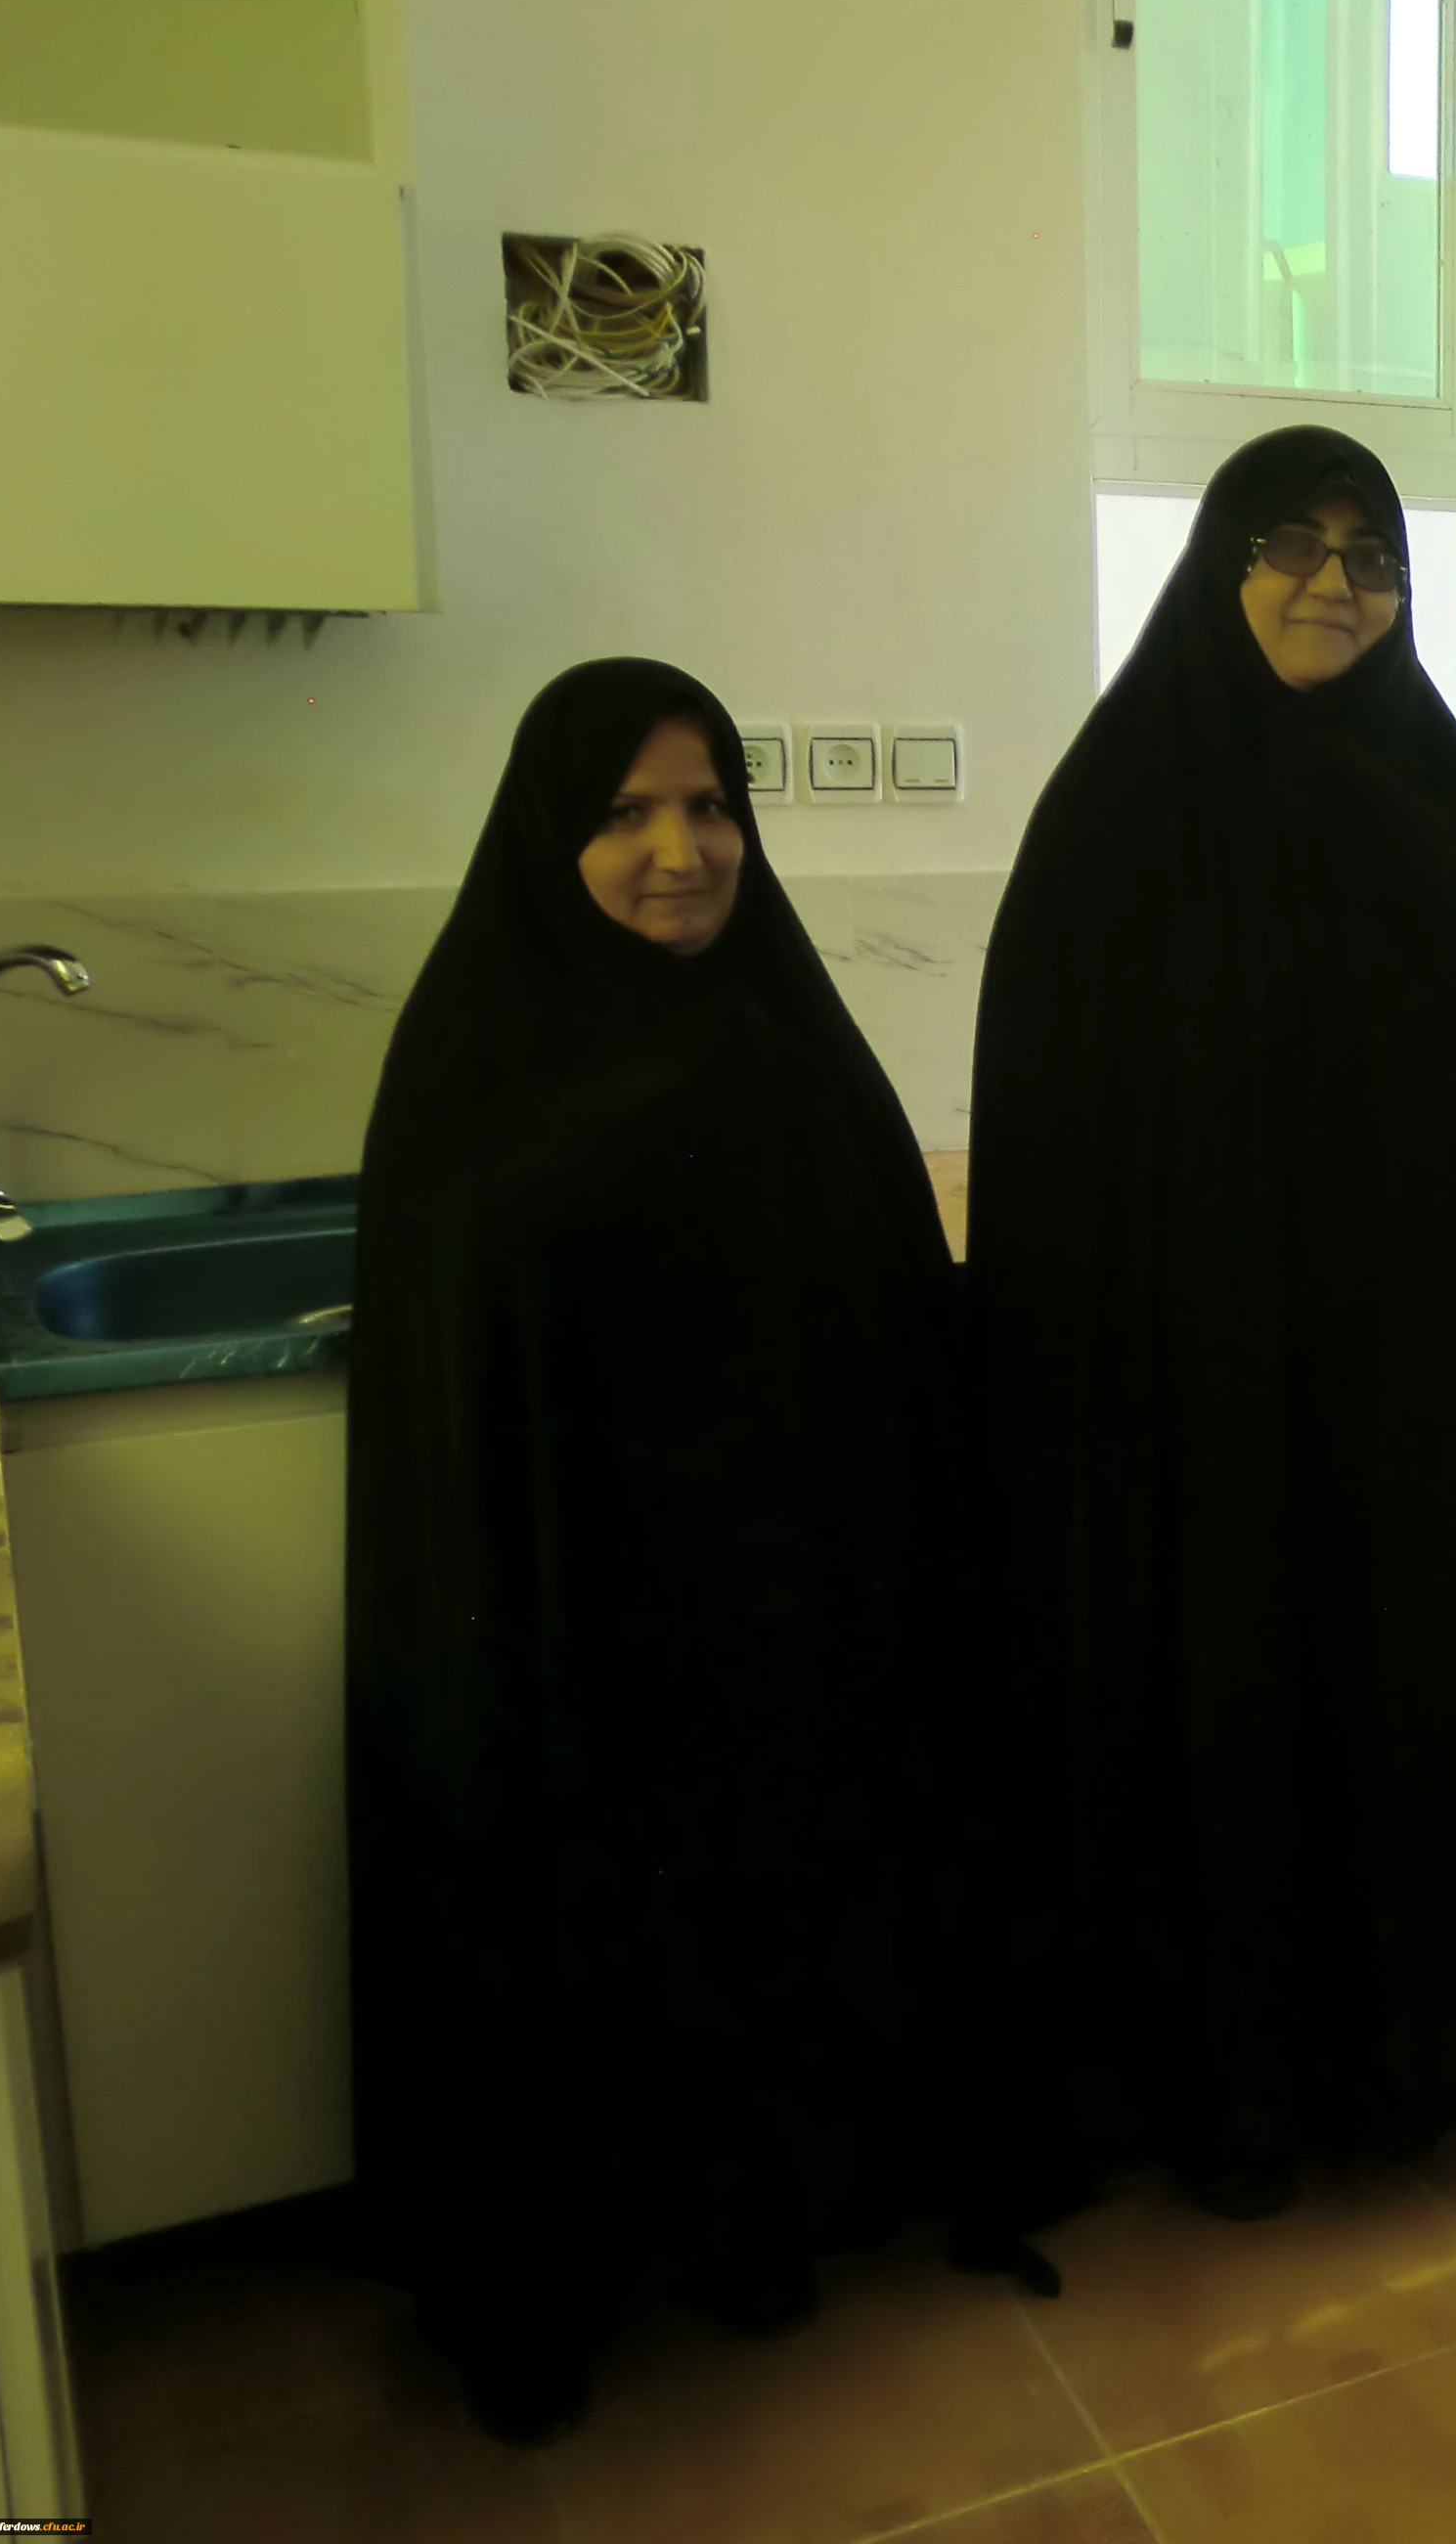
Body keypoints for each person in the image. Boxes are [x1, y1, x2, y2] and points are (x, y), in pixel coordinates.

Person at [349, 660, 1066, 2444]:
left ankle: (780, 2209)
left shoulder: (778, 1032)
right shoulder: (471, 1060)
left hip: (783, 1607)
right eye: (626, 813)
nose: (680, 852)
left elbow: (888, 1310)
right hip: (580, 1622)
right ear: (550, 836)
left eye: (710, 807)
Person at [965, 425, 1456, 2220]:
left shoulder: (1427, 797)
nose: (1335, 583)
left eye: (1371, 555)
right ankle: (1227, 2080)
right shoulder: (1119, 813)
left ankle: (1409, 2059)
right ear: (1222, 565)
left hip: (1404, 1399)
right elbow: (1055, 1109)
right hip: (1197, 1395)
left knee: (1391, 1712)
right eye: (1293, 543)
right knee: (1230, 1713)